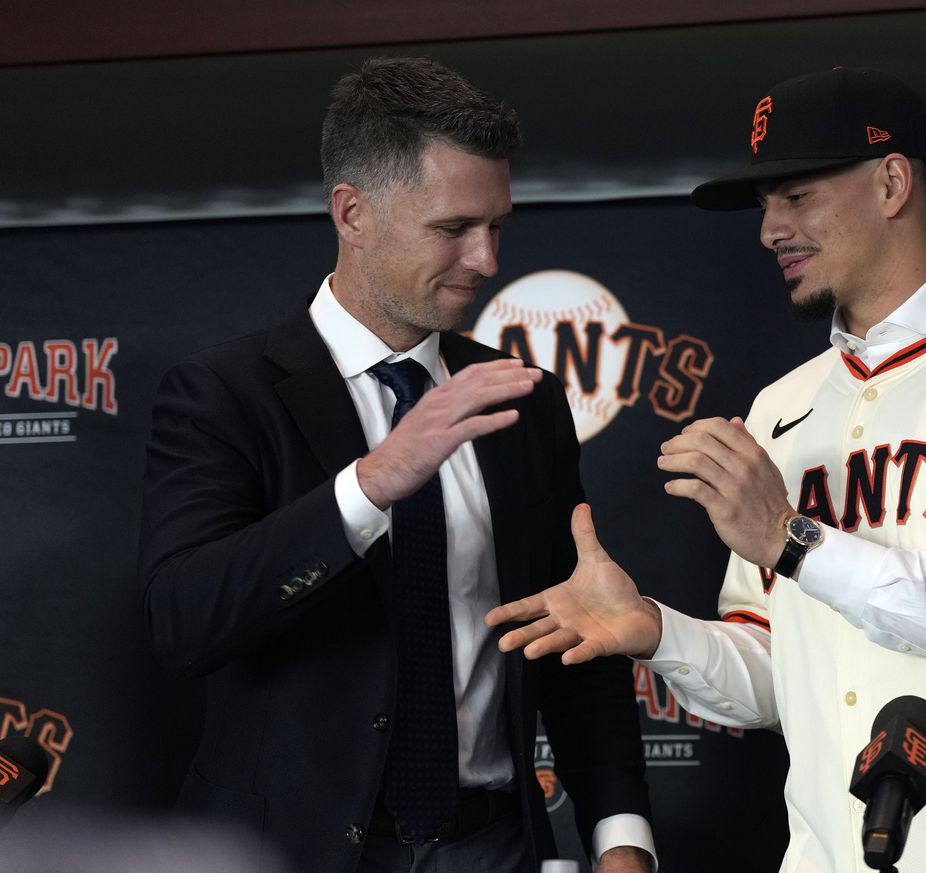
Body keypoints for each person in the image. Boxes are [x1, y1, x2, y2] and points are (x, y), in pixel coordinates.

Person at [488, 67, 926, 873]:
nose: (770, 228)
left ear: (891, 182)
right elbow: (779, 672)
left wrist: (795, 538)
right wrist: (657, 632)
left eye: (797, 195)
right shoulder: (783, 405)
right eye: (765, 204)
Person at [139, 57, 654, 873]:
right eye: (452, 229)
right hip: (288, 852)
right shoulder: (223, 394)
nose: (487, 260)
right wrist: (372, 481)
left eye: (498, 227)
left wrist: (622, 837)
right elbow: (185, 619)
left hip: (495, 845)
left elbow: (578, 630)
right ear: (352, 213)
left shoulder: (523, 401)